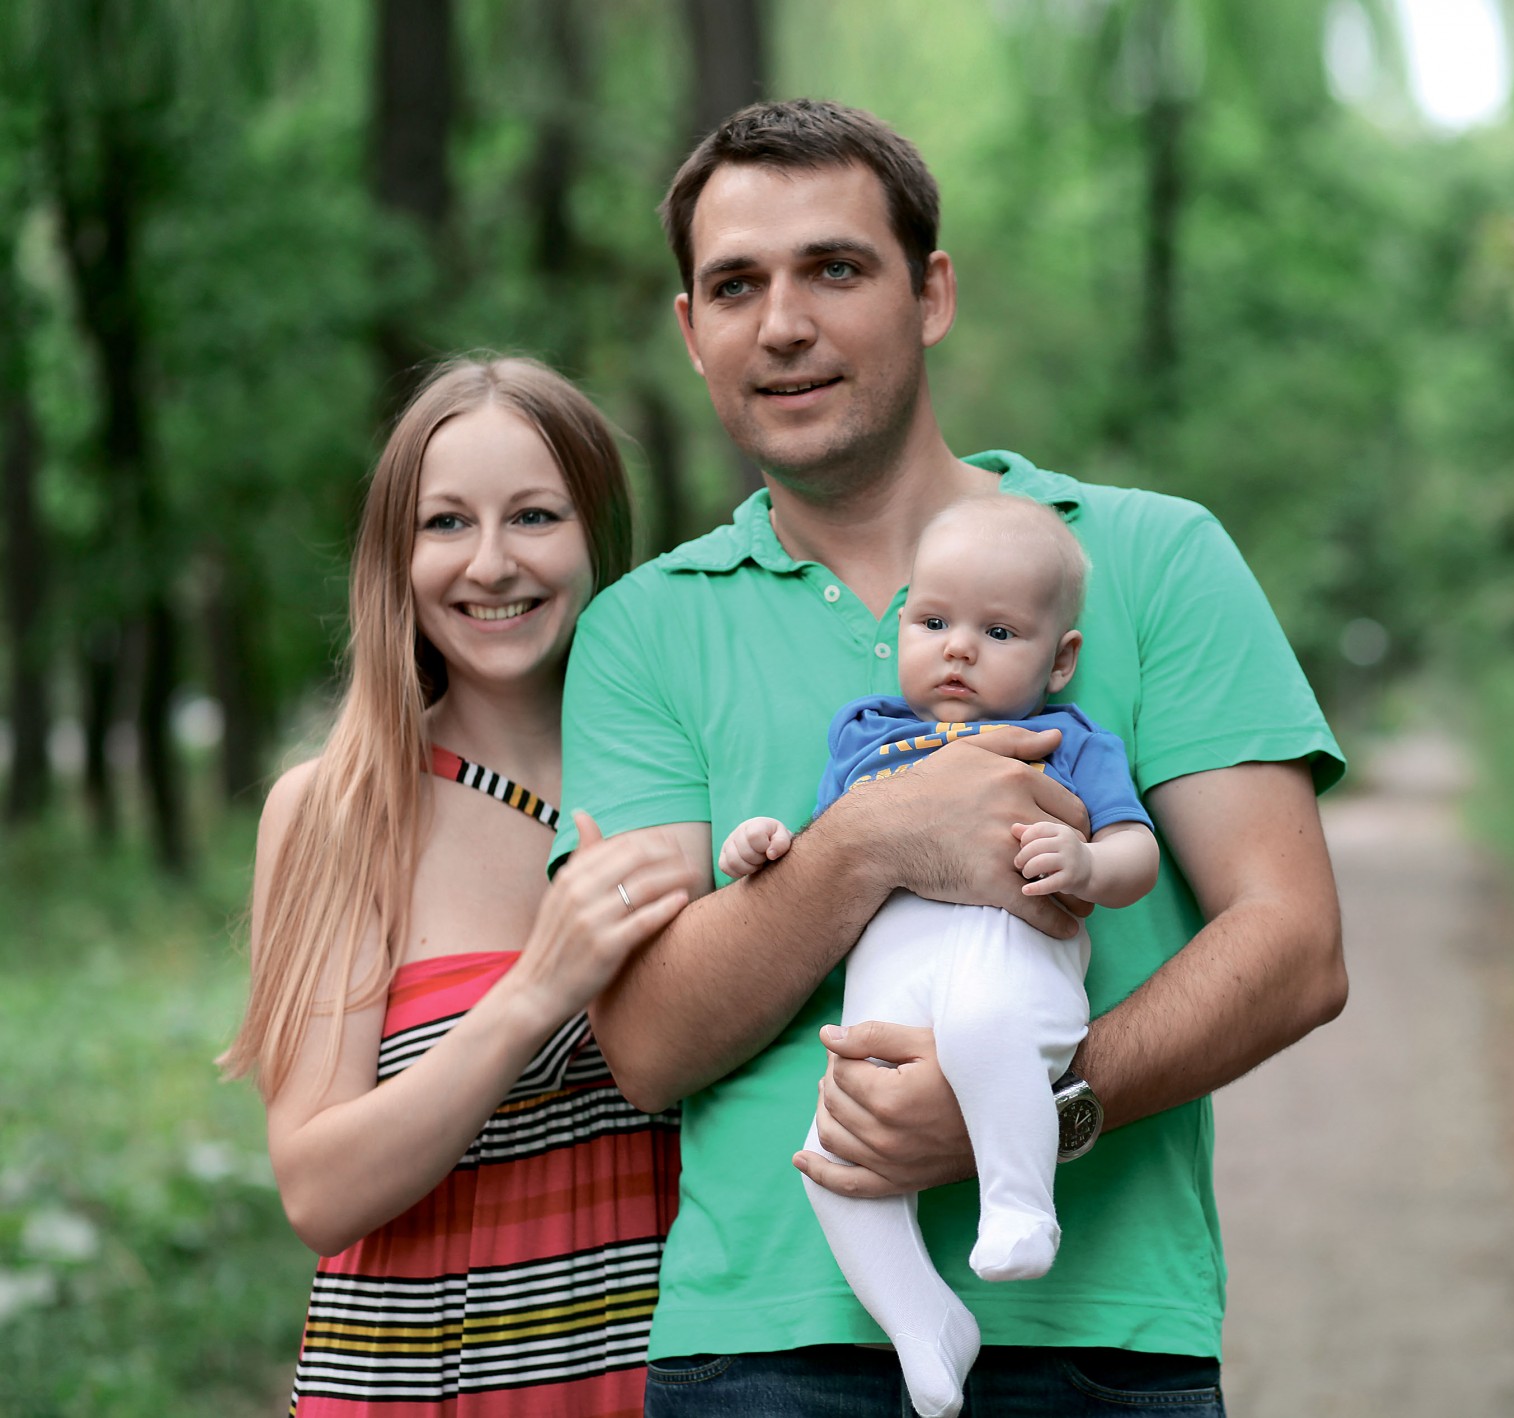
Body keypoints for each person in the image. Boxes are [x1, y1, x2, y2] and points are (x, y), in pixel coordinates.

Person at [555, 99, 1347, 1416]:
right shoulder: (645, 629)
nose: (783, 323)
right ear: (691, 331)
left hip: (1100, 1342)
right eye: (736, 285)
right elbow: (646, 1042)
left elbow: (1294, 944)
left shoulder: (1152, 557)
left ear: (930, 293)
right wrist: (873, 837)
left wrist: (1047, 1103)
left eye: (835, 268)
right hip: (759, 1353)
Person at [219, 356, 696, 1415]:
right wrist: (535, 991)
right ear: (397, 555)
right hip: (424, 1382)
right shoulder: (341, 810)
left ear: (598, 534)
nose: (490, 562)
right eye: (445, 523)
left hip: (673, 1379)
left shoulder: (689, 776)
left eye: (533, 515)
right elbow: (318, 1189)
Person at [718, 494, 1160, 1417]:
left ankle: (1019, 1206)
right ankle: (924, 1324)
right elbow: (828, 850)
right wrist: (766, 843)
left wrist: (1087, 862)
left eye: (998, 631)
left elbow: (1137, 854)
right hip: (888, 985)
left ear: (1060, 658)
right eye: (933, 622)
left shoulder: (1071, 742)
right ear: (901, 626)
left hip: (1007, 960)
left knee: (981, 1028)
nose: (958, 648)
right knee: (832, 1160)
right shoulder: (865, 735)